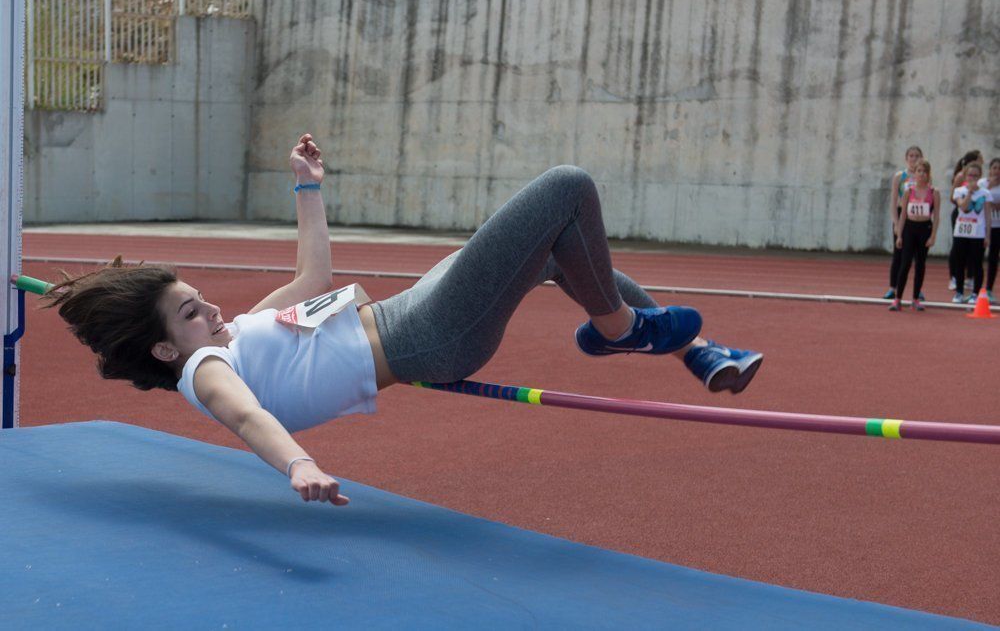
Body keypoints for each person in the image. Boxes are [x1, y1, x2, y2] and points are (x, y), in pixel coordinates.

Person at [42, 134, 763, 506]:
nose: (216, 312)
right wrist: (300, 465)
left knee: (556, 253)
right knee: (566, 189)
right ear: (169, 350)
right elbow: (248, 418)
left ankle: (696, 351)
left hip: (406, 306)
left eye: (204, 298)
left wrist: (306, 186)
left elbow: (313, 281)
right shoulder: (208, 370)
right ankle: (621, 330)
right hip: (428, 332)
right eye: (195, 314)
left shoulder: (227, 338)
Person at [890, 159, 939, 312]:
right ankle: (897, 299)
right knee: (905, 264)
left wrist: (933, 236)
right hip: (909, 229)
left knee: (920, 264)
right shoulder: (908, 191)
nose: (921, 174)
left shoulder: (934, 192)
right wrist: (899, 234)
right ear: (915, 173)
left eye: (924, 171)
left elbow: (936, 216)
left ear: (928, 174)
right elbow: (903, 214)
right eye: (919, 171)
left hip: (925, 228)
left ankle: (916, 299)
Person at [885, 146, 923, 300]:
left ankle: (917, 290)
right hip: (902, 215)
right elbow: (894, 201)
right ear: (906, 158)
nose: (914, 159)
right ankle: (893, 288)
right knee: (898, 254)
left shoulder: (924, 176)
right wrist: (895, 222)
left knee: (916, 256)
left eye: (917, 156)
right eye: (911, 156)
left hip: (918, 217)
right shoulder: (900, 176)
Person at [950, 162, 992, 303]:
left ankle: (975, 293)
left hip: (978, 233)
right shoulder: (959, 191)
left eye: (975, 175)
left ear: (980, 176)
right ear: (966, 176)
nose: (973, 178)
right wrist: (969, 192)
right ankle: (959, 292)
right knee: (959, 263)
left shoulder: (985, 193)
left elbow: (987, 216)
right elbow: (962, 206)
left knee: (976, 264)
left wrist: (987, 235)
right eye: (970, 175)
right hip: (961, 232)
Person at [948, 150, 984, 292]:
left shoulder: (980, 179)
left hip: (975, 215)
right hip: (960, 213)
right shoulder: (960, 176)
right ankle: (954, 277)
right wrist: (963, 202)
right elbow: (952, 197)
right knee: (958, 248)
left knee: (972, 248)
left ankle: (969, 278)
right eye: (980, 159)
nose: (982, 161)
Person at [982, 158, 1000, 303]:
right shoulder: (982, 183)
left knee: (993, 258)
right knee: (976, 258)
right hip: (982, 226)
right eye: (994, 168)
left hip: (998, 226)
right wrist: (989, 188)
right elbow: (977, 199)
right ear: (990, 169)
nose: (997, 171)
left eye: (999, 168)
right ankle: (976, 290)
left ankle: (988, 289)